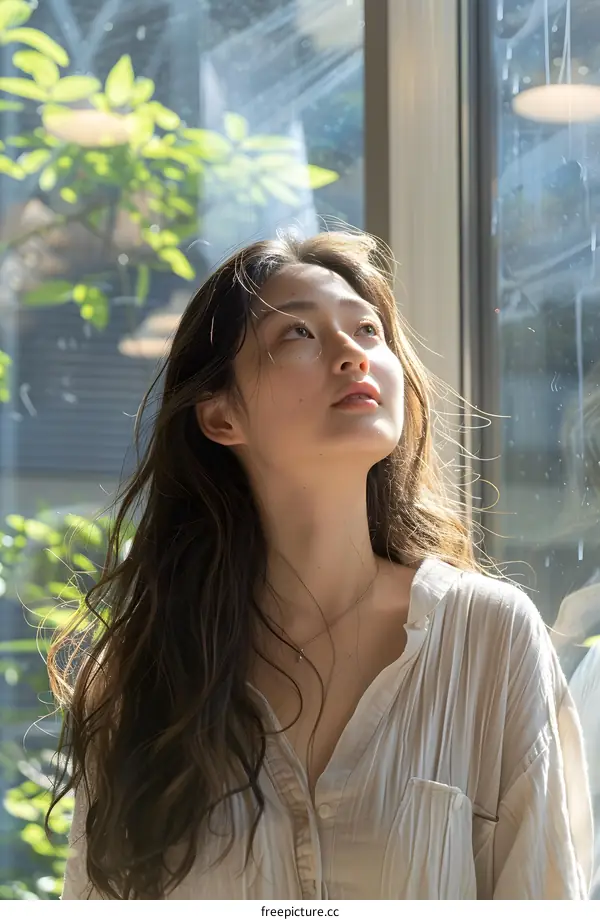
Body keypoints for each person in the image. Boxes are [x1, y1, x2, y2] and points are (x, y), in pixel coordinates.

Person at [49, 231, 593, 900]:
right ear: (220, 417)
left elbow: (546, 896)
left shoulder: (488, 637)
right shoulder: (145, 674)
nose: (353, 354)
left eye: (368, 330)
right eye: (298, 336)